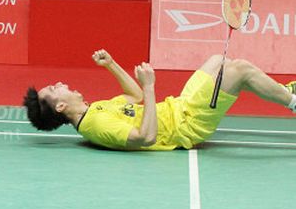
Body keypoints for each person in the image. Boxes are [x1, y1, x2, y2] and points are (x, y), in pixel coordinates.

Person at [23, 49, 296, 151]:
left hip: (179, 107)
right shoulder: (96, 125)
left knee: (219, 60)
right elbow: (146, 137)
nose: (59, 83)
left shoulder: (95, 110)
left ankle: (284, 93)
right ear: (60, 106)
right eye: (53, 88)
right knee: (241, 70)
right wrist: (151, 87)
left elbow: (134, 96)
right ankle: (291, 100)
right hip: (187, 123)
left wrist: (112, 64)